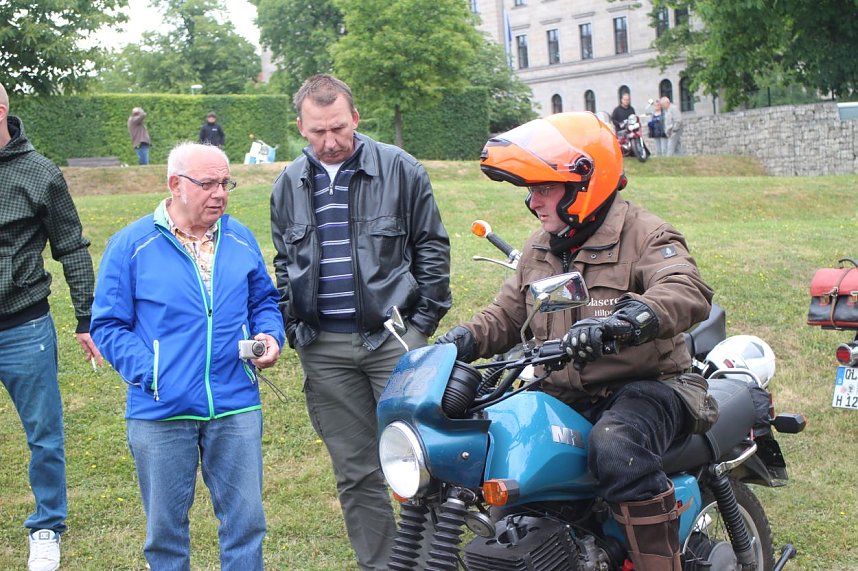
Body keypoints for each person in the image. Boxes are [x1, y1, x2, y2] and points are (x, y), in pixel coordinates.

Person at [436, 112, 714, 571]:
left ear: (586, 183)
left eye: (544, 188)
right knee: (501, 448)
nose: (533, 202)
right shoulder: (540, 246)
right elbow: (506, 314)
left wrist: (628, 320)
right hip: (563, 392)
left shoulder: (646, 233)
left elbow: (685, 288)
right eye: (531, 190)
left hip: (650, 385)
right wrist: (458, 341)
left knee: (614, 444)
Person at [270, 74, 452, 571]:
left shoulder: (401, 169)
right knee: (356, 473)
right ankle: (384, 564)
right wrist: (294, 324)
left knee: (422, 463)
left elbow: (432, 248)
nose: (329, 142)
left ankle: (436, 564)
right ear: (301, 127)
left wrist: (420, 326)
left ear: (355, 118)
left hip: (393, 341)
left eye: (338, 128)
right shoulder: (288, 183)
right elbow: (284, 261)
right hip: (323, 348)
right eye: (316, 132)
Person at [90, 142, 285, 571]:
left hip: (234, 402)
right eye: (208, 183)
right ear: (175, 185)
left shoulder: (238, 236)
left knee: (246, 523)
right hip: (160, 411)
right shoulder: (131, 244)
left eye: (225, 183)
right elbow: (107, 325)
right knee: (165, 534)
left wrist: (269, 335)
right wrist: (153, 373)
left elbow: (264, 301)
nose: (220, 193)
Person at [0, 82, 102, 571]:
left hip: (24, 327)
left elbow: (71, 246)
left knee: (43, 433)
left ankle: (46, 527)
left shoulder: (39, 174)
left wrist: (87, 316)